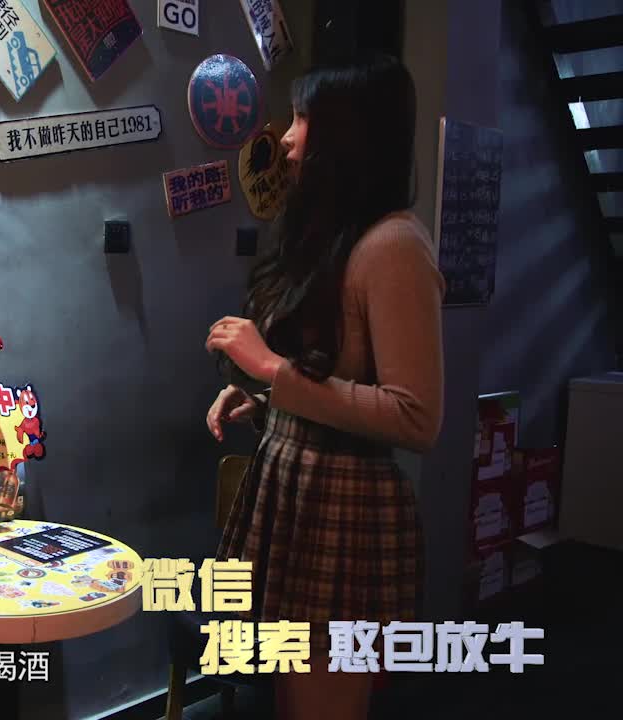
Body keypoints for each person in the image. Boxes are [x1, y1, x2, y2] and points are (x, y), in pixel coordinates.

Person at [204, 54, 443, 720]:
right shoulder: (343, 236)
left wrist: (271, 371)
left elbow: (417, 416)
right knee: (291, 697)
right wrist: (268, 402)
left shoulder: (394, 245)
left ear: (347, 132)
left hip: (344, 508)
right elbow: (338, 381)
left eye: (304, 117)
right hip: (299, 493)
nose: (286, 136)